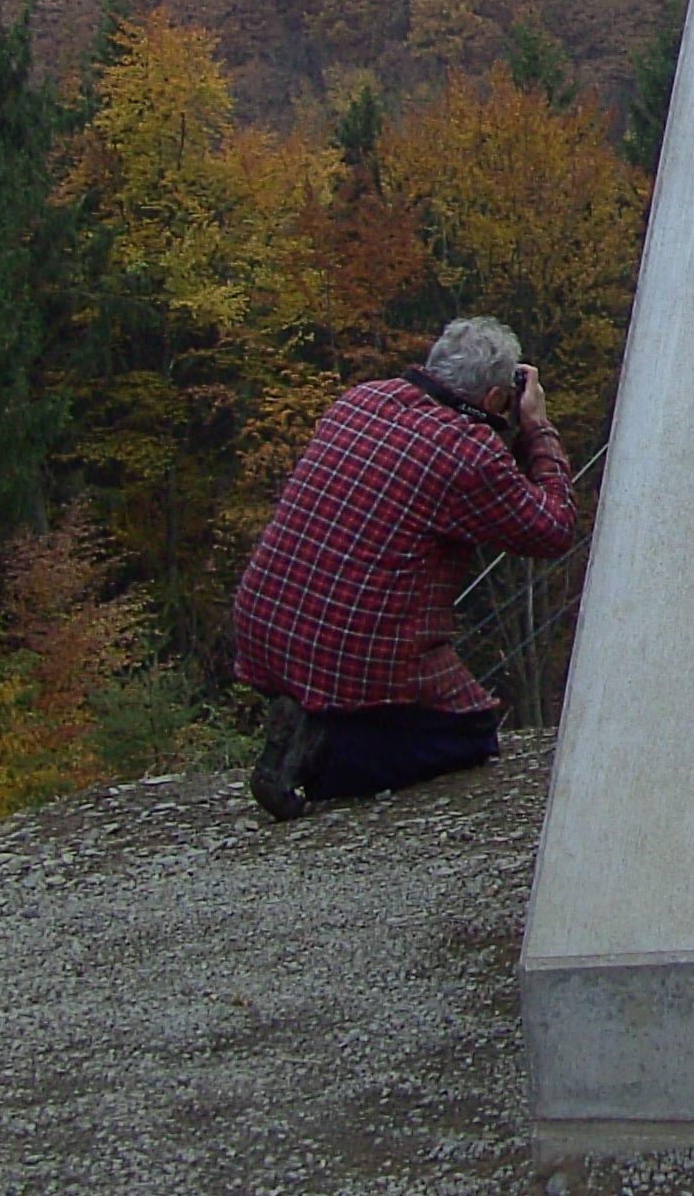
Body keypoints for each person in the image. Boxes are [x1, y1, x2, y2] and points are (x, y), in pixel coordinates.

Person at [231, 313, 580, 821]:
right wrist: (536, 427)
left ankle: (311, 719)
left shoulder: (361, 399)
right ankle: (326, 752)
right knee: (471, 733)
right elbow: (554, 527)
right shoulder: (467, 451)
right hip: (346, 653)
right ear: (493, 401)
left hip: (264, 627)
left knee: (381, 690)